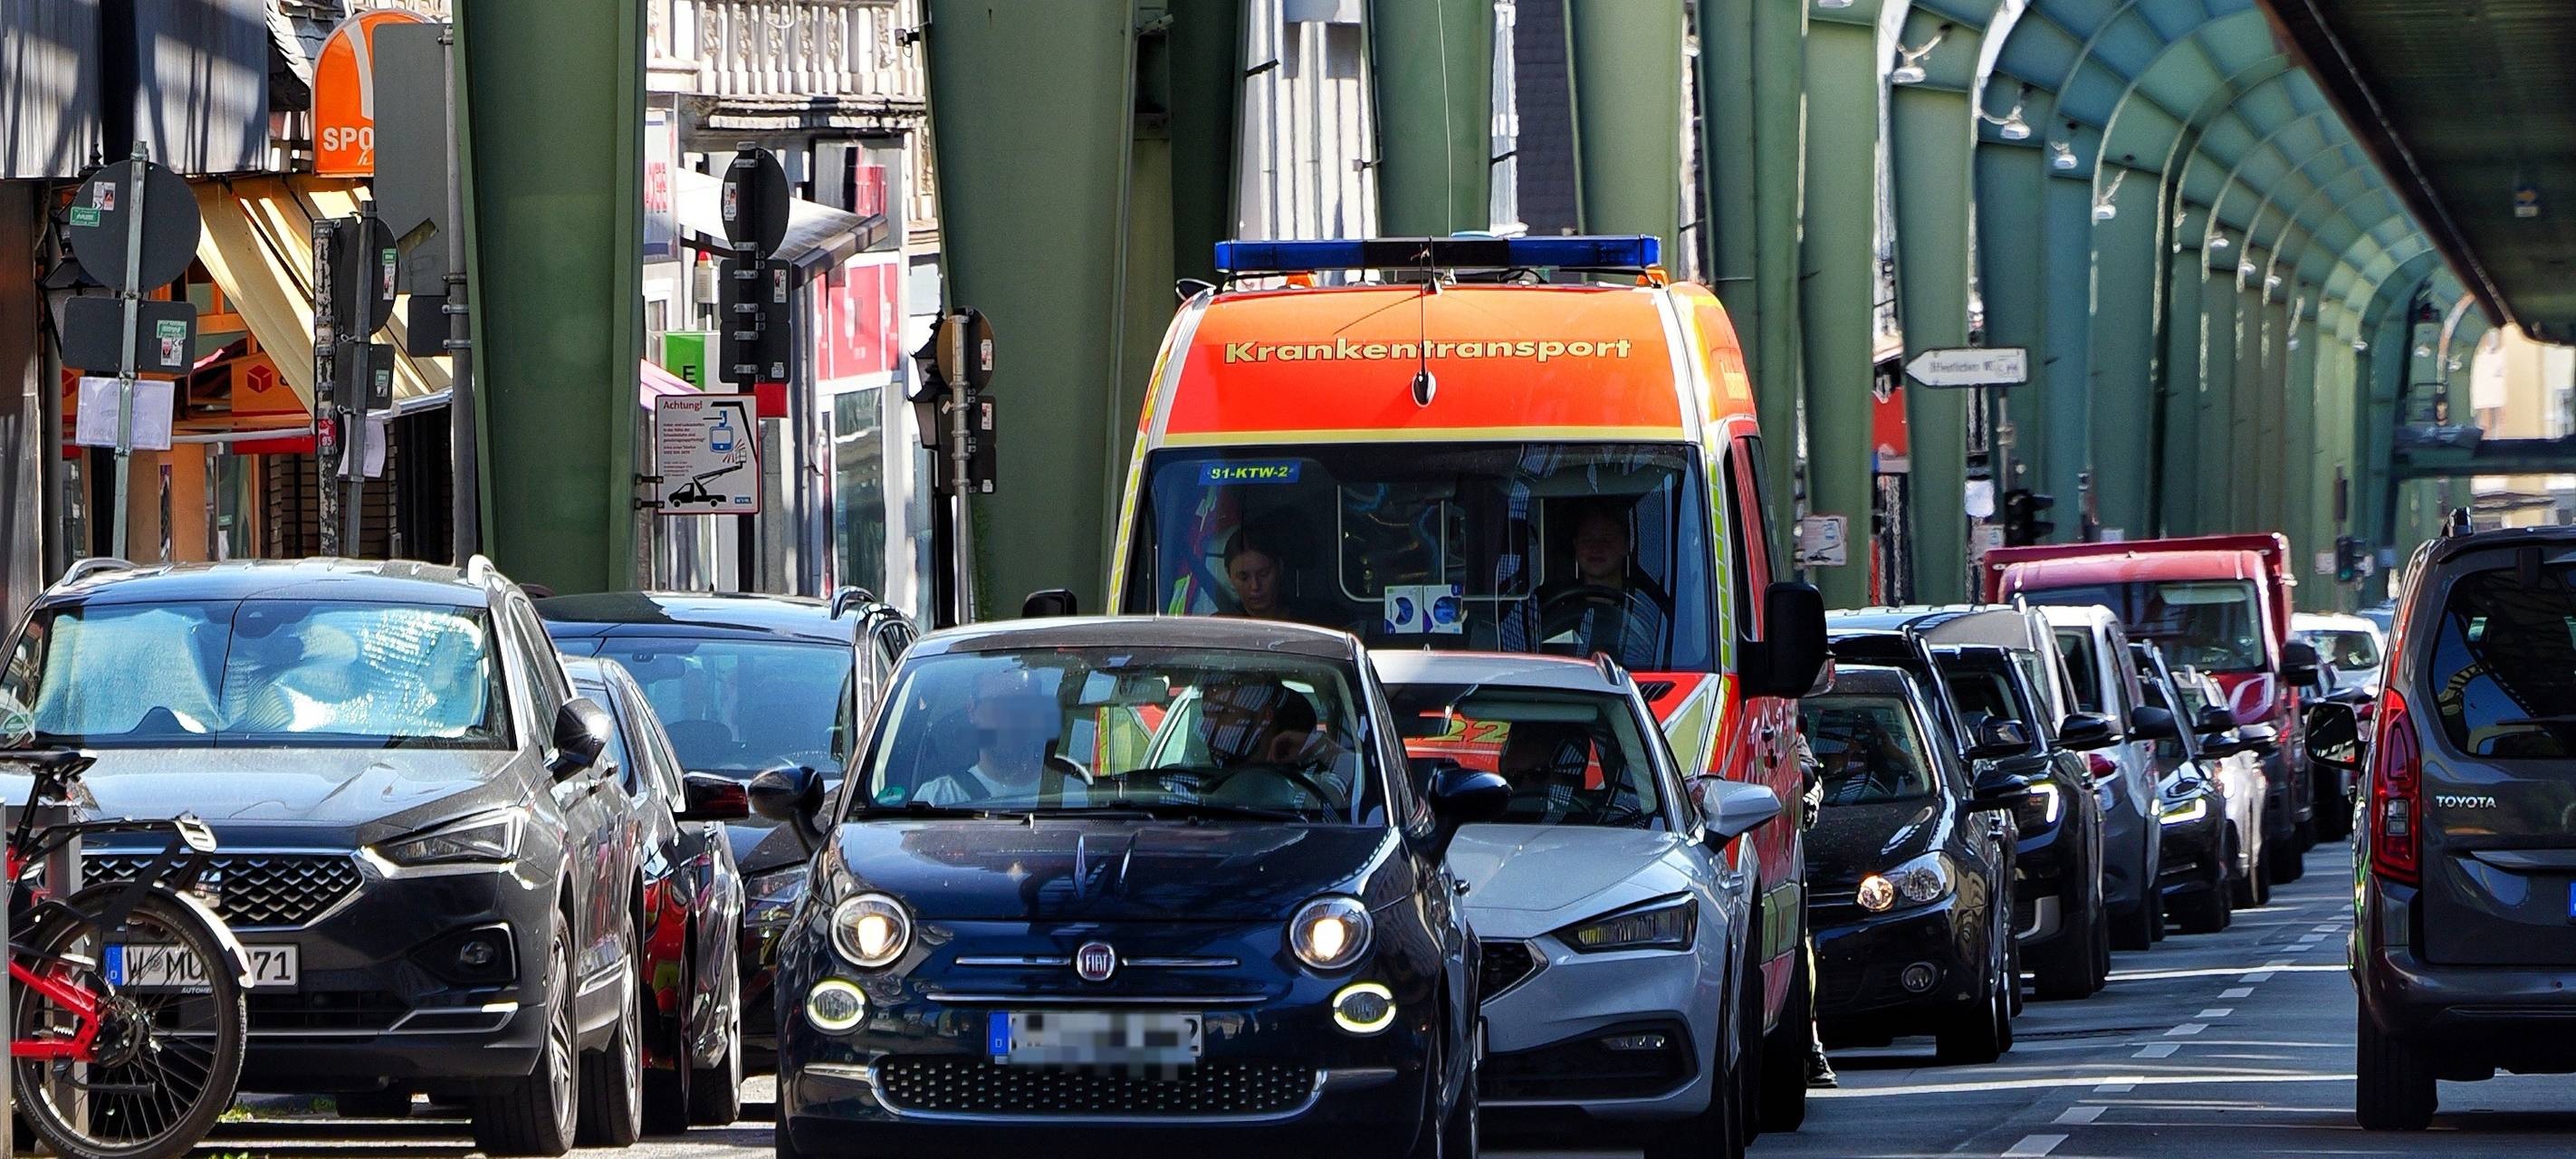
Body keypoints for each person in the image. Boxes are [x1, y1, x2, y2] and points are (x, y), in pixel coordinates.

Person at [1531, 501, 1674, 667]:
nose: (1596, 547)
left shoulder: (1650, 608)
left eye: (1606, 539)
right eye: (1587, 539)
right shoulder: (1545, 603)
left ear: (1626, 545)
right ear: (1576, 546)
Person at [915, 668, 1087, 807]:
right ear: (972, 710)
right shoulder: (935, 800)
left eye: (1022, 704)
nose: (1011, 716)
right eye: (999, 704)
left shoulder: (1075, 794)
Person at [1217, 529, 1336, 626]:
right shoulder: (1219, 628)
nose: (1255, 586)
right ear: (1229, 575)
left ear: (1280, 567)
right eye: (1244, 577)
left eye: (1263, 574)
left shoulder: (1316, 622)